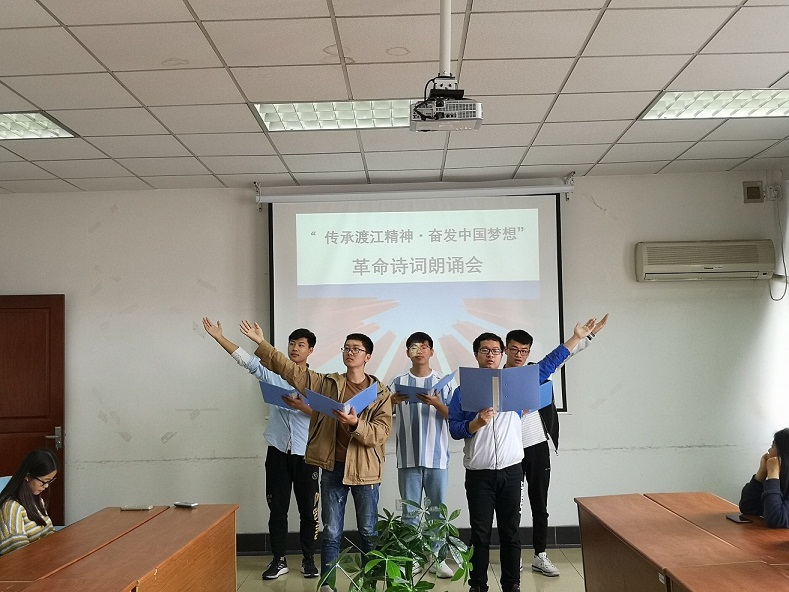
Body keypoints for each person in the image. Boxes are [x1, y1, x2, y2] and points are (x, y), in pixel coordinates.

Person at [241, 321, 392, 591]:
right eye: (346, 348)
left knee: (368, 531)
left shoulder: (380, 393)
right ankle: (327, 584)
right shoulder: (328, 383)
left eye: (356, 349)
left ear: (367, 357)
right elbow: (292, 372)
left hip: (366, 471)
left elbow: (381, 433)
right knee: (331, 532)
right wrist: (262, 344)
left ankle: (371, 585)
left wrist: (355, 424)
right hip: (333, 467)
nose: (350, 352)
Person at [448, 321, 595, 592]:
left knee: (511, 533)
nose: (490, 355)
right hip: (479, 475)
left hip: (511, 471)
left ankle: (512, 585)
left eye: (495, 351)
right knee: (479, 535)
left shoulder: (515, 383)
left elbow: (549, 364)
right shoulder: (463, 391)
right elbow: (455, 430)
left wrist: (575, 338)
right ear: (476, 354)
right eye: (484, 350)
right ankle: (477, 585)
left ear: (502, 353)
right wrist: (476, 423)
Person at [203, 317, 320, 580]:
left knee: (308, 511)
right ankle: (279, 560)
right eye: (292, 343)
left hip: (306, 453)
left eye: (301, 344)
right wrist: (219, 337)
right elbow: (246, 360)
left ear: (311, 350)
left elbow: (326, 415)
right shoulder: (273, 375)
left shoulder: (318, 382)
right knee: (277, 509)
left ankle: (309, 560)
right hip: (278, 450)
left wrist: (302, 406)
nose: (295, 348)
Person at [505, 314, 608, 577]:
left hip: (537, 446)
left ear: (529, 352)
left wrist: (586, 337)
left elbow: (562, 358)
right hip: (510, 449)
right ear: (506, 349)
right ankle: (513, 556)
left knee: (540, 503)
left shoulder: (535, 373)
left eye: (524, 351)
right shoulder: (496, 378)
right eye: (514, 349)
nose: (519, 355)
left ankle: (540, 555)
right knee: (512, 506)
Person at [388, 332, 454, 579]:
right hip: (408, 457)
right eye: (414, 347)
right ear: (408, 353)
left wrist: (436, 403)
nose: (420, 350)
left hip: (437, 458)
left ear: (431, 352)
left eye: (424, 346)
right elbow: (380, 412)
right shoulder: (397, 382)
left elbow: (455, 416)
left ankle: (437, 558)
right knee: (410, 513)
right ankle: (412, 557)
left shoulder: (443, 382)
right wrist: (391, 401)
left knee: (437, 511)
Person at [0, 449, 58, 556]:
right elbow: (18, 553)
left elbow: (49, 531)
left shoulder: (36, 499)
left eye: (50, 481)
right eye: (44, 481)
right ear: (27, 475)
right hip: (27, 562)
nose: (46, 486)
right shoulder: (12, 507)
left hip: (45, 556)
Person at [739, 428, 789, 528]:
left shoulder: (775, 479)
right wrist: (761, 473)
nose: (768, 450)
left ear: (783, 454)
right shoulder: (782, 480)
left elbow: (776, 519)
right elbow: (747, 507)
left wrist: (773, 475)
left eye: (772, 446)